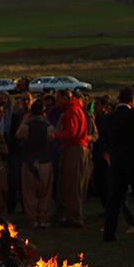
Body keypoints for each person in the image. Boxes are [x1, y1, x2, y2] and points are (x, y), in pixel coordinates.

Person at [102, 87, 134, 241]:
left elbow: (106, 139)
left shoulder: (109, 118)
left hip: (117, 162)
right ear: (133, 100)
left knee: (114, 200)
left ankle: (109, 232)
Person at [48, 89, 88, 227]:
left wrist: (55, 136)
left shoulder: (72, 110)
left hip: (74, 148)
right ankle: (72, 216)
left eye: (58, 100)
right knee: (70, 183)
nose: (56, 104)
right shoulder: (74, 109)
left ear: (66, 99)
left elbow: (71, 132)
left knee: (73, 183)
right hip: (74, 147)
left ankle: (75, 218)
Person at [16, 102, 54, 228]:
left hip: (29, 161)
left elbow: (18, 135)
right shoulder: (48, 126)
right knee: (45, 193)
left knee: (29, 194)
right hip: (44, 161)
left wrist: (24, 121)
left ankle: (33, 220)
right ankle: (44, 219)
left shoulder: (27, 126)